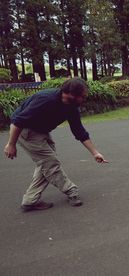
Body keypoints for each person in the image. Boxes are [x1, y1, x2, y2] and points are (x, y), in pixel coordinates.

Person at [3, 77, 108, 211]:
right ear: (71, 94)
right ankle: (71, 191)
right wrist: (11, 144)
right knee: (50, 163)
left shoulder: (72, 107)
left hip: (41, 131)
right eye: (82, 96)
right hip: (25, 131)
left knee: (46, 164)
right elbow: (18, 122)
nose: (84, 100)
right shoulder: (45, 100)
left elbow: (79, 131)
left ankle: (30, 200)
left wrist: (95, 153)